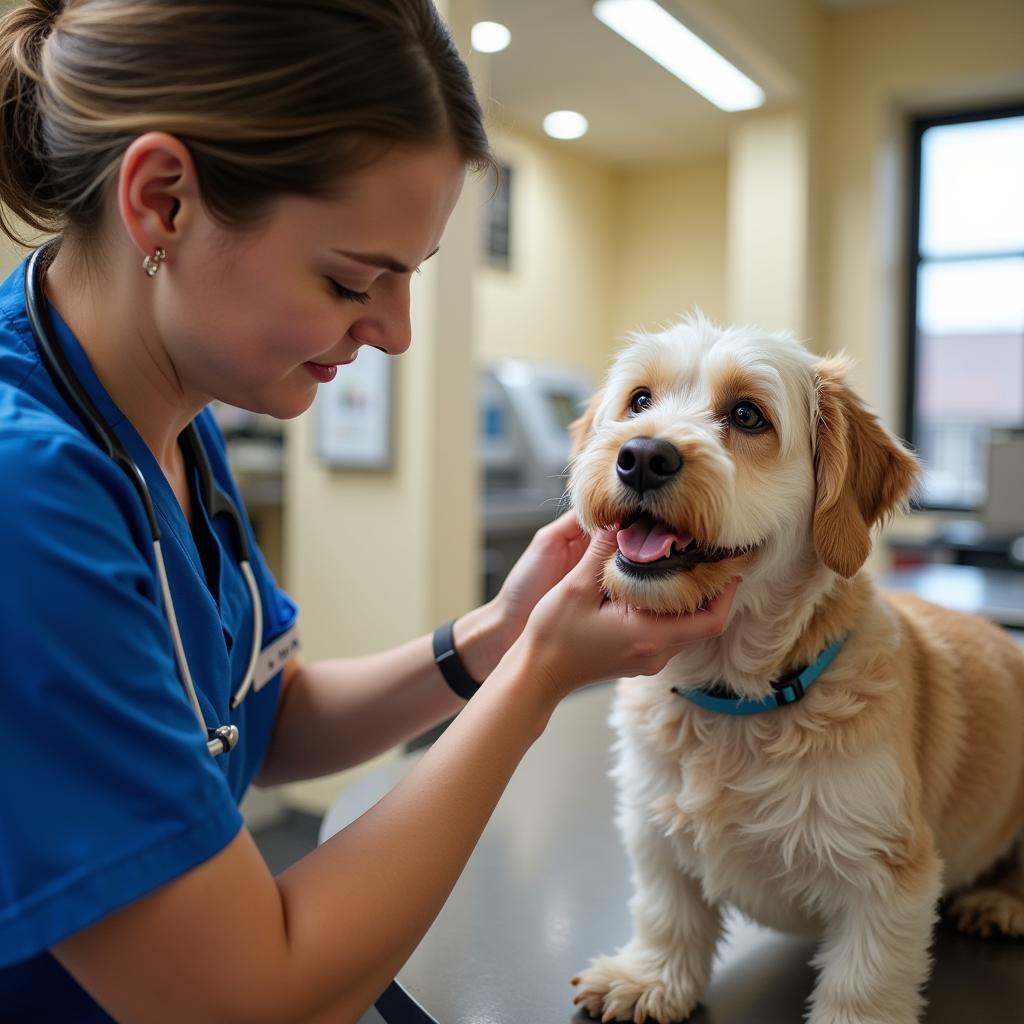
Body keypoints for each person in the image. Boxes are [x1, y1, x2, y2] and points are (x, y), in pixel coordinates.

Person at [0, 2, 738, 1021]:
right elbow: (247, 999)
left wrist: (494, 635)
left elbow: (257, 718)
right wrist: (533, 681)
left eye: (408, 282)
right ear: (163, 201)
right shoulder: (25, 501)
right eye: (353, 278)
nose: (392, 334)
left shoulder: (164, 418)